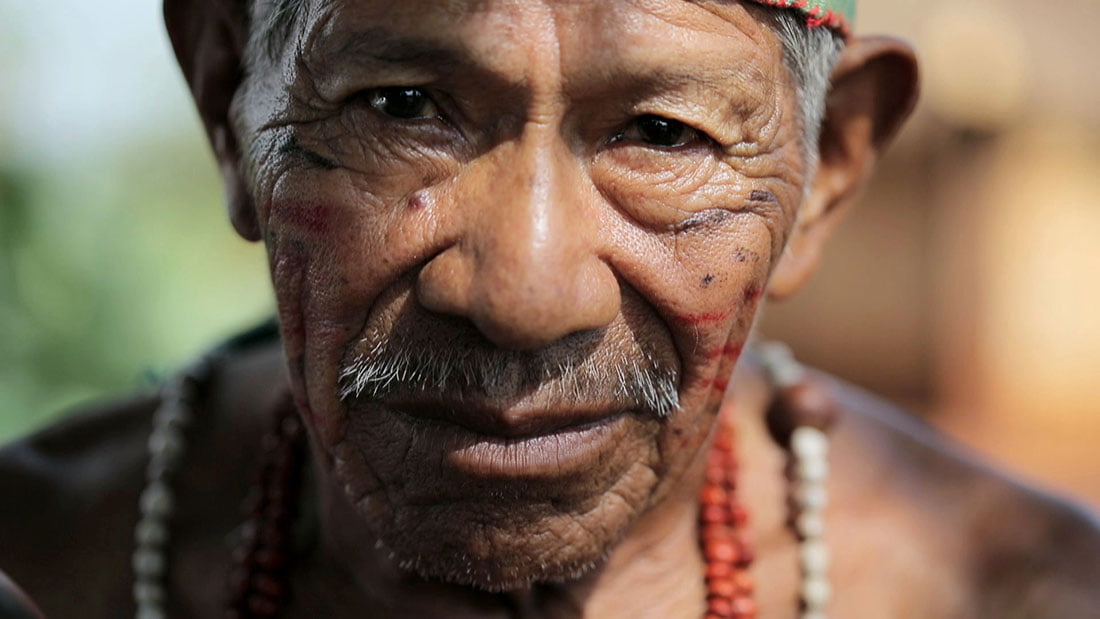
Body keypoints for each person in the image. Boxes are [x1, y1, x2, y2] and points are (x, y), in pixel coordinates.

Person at [1, 0, 1098, 617]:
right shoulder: (40, 565)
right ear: (226, 104)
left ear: (828, 169)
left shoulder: (1027, 596)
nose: (524, 294)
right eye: (402, 106)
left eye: (662, 134)